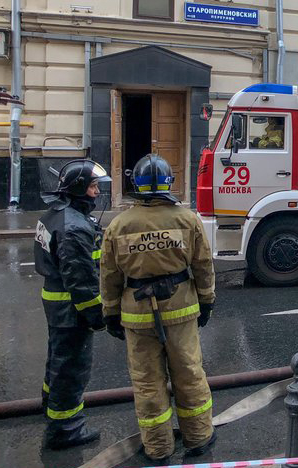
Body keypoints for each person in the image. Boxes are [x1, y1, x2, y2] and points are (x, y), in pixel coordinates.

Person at [101, 154, 216, 462]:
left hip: (137, 316)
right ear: (169, 182)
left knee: (147, 383)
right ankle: (198, 438)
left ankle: (158, 447)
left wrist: (110, 313)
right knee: (189, 374)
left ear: (135, 184)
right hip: (181, 311)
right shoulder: (187, 219)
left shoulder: (119, 225)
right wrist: (206, 301)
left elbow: (109, 276)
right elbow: (203, 265)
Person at [34, 159, 110, 449]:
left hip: (56, 302)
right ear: (78, 188)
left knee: (57, 359)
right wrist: (96, 316)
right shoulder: (75, 227)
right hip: (71, 308)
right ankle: (66, 429)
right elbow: (81, 282)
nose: (96, 192)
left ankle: (50, 405)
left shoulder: (55, 214)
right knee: (71, 368)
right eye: (92, 186)